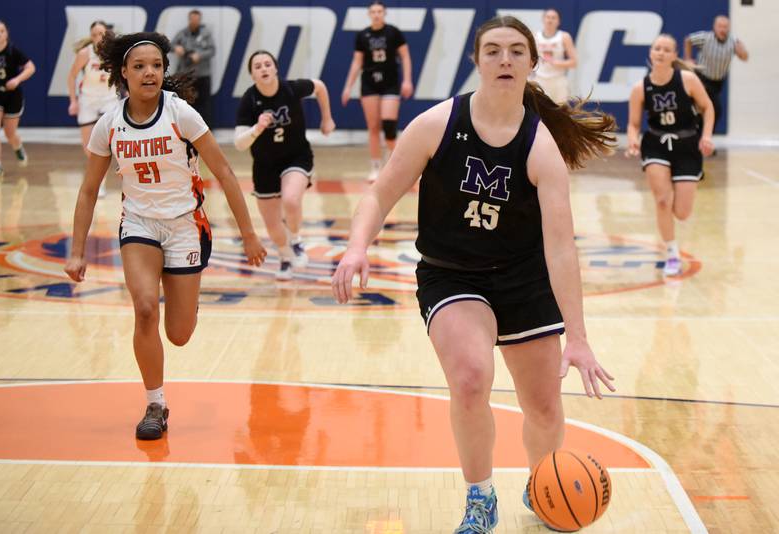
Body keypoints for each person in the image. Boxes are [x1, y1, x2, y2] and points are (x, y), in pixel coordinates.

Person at [332, 15, 616, 533]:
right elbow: (379, 193)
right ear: (477, 61)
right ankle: (480, 497)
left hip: (523, 278)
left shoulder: (540, 147)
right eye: (492, 50)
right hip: (452, 275)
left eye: (514, 51)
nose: (504, 59)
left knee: (545, 407)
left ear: (533, 63)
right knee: (469, 380)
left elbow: (561, 249)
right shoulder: (437, 124)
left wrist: (578, 337)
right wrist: (356, 248)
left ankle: (542, 484)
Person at [64, 32, 267, 441]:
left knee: (178, 333)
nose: (149, 72)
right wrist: (77, 251)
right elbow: (88, 191)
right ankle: (155, 403)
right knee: (143, 309)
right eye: (139, 66)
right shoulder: (110, 123)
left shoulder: (181, 114)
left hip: (184, 226)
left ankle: (187, 305)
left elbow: (225, 173)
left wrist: (249, 234)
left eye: (156, 65)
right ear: (122, 73)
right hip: (139, 224)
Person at [234, 50, 335, 280]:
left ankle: (296, 239)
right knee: (272, 225)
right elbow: (239, 143)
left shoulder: (291, 88)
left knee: (291, 200)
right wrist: (257, 129)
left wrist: (326, 118)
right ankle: (285, 256)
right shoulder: (249, 100)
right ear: (252, 75)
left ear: (276, 68)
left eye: (267, 64)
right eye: (257, 66)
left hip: (296, 156)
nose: (264, 68)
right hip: (264, 165)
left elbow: (319, 86)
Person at [627, 34, 714, 277]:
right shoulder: (640, 87)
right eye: (657, 48)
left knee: (682, 212)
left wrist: (706, 136)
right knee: (662, 200)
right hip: (656, 143)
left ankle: (678, 199)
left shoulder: (687, 79)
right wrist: (633, 140)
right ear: (651, 53)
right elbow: (633, 124)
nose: (662, 53)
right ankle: (672, 253)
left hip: (687, 144)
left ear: (674, 55)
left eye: (667, 49)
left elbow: (707, 108)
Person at [341, 0, 413, 182]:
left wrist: (407, 80)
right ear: (369, 14)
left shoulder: (393, 32)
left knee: (389, 125)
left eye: (379, 11)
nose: (376, 14)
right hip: (369, 82)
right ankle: (375, 167)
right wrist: (348, 86)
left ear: (384, 13)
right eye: (373, 11)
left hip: (390, 82)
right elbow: (357, 62)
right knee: (373, 127)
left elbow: (405, 57)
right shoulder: (362, 35)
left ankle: (395, 162)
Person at [67, 20, 119, 197]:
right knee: (88, 148)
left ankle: (105, 183)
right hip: (88, 100)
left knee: (104, 144)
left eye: (101, 34)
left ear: (107, 35)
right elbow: (72, 76)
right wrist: (73, 101)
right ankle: (98, 181)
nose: (98, 37)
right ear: (91, 37)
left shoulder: (114, 53)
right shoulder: (85, 53)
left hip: (109, 100)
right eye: (94, 34)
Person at [0, 20, 35, 179]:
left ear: (6, 34)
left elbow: (31, 67)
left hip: (13, 96)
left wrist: (17, 80)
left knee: (10, 133)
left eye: (2, 31)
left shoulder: (13, 51)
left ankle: (18, 147)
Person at [683, 15, 748, 133]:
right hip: (701, 78)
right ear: (714, 27)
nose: (722, 29)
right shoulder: (705, 38)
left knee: (705, 110)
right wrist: (687, 58)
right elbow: (688, 40)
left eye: (725, 27)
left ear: (729, 28)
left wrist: (742, 52)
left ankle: (701, 139)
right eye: (720, 26)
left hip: (718, 82)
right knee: (714, 109)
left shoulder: (734, 42)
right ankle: (704, 139)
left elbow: (745, 57)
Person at [172, 9, 215, 127]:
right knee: (184, 102)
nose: (194, 22)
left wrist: (199, 55)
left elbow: (212, 50)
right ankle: (185, 128)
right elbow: (170, 45)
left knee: (204, 104)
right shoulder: (182, 33)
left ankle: (206, 129)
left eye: (197, 19)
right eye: (192, 19)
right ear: (189, 19)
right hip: (185, 74)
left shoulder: (206, 34)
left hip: (202, 74)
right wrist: (176, 48)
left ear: (200, 20)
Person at [533, 8, 577, 104]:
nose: (550, 20)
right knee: (540, 111)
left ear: (558, 21)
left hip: (558, 80)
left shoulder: (564, 37)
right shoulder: (535, 36)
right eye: (548, 17)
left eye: (553, 18)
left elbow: (574, 62)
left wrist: (555, 62)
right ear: (543, 19)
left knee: (561, 112)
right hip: (540, 79)